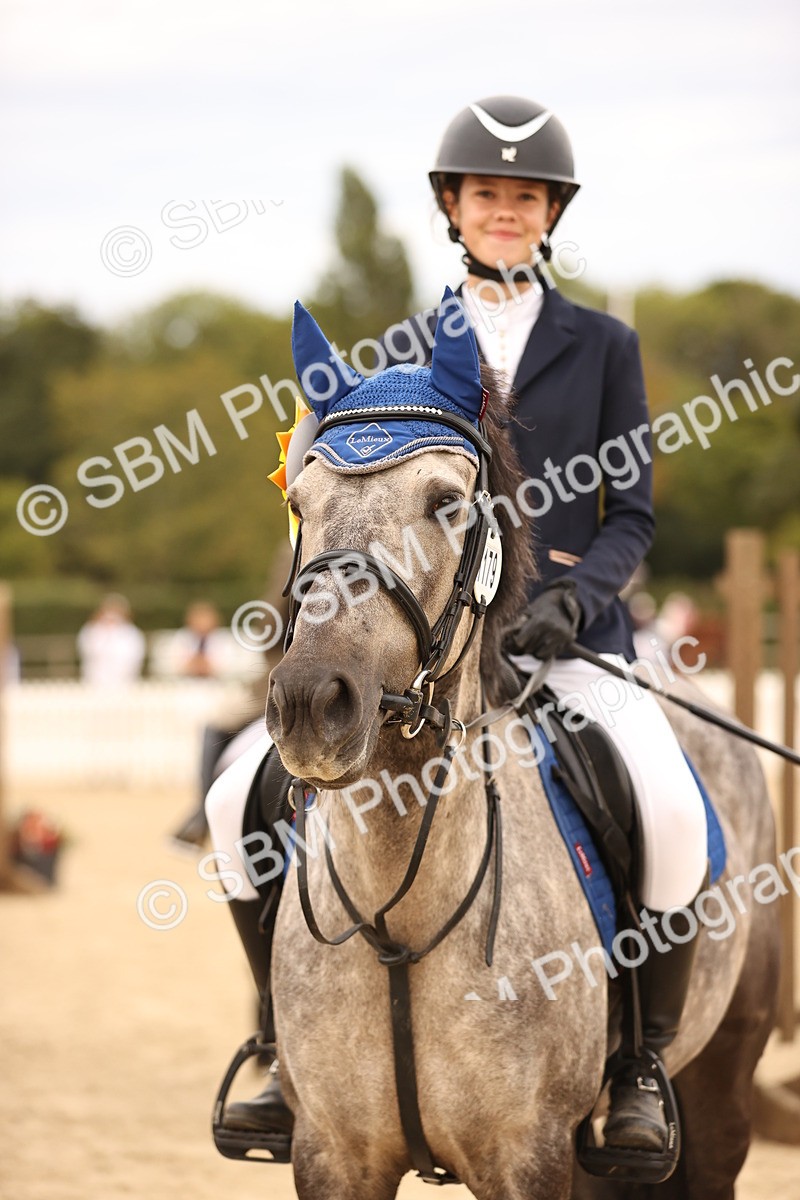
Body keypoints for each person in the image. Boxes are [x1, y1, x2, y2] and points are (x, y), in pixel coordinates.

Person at [207, 95, 709, 1164]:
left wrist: (576, 598)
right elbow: (348, 505)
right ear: (453, 206)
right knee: (229, 797)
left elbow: (630, 515)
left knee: (668, 804)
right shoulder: (397, 353)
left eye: (525, 197)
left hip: (567, 641)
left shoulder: (604, 345)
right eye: (487, 193)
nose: (505, 211)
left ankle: (638, 1061)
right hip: (418, 650)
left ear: (550, 212)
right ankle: (280, 1048)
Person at [76, 594, 146, 685]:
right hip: (95, 679)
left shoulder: (131, 632)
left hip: (124, 680)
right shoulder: (92, 630)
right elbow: (87, 650)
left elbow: (134, 655)